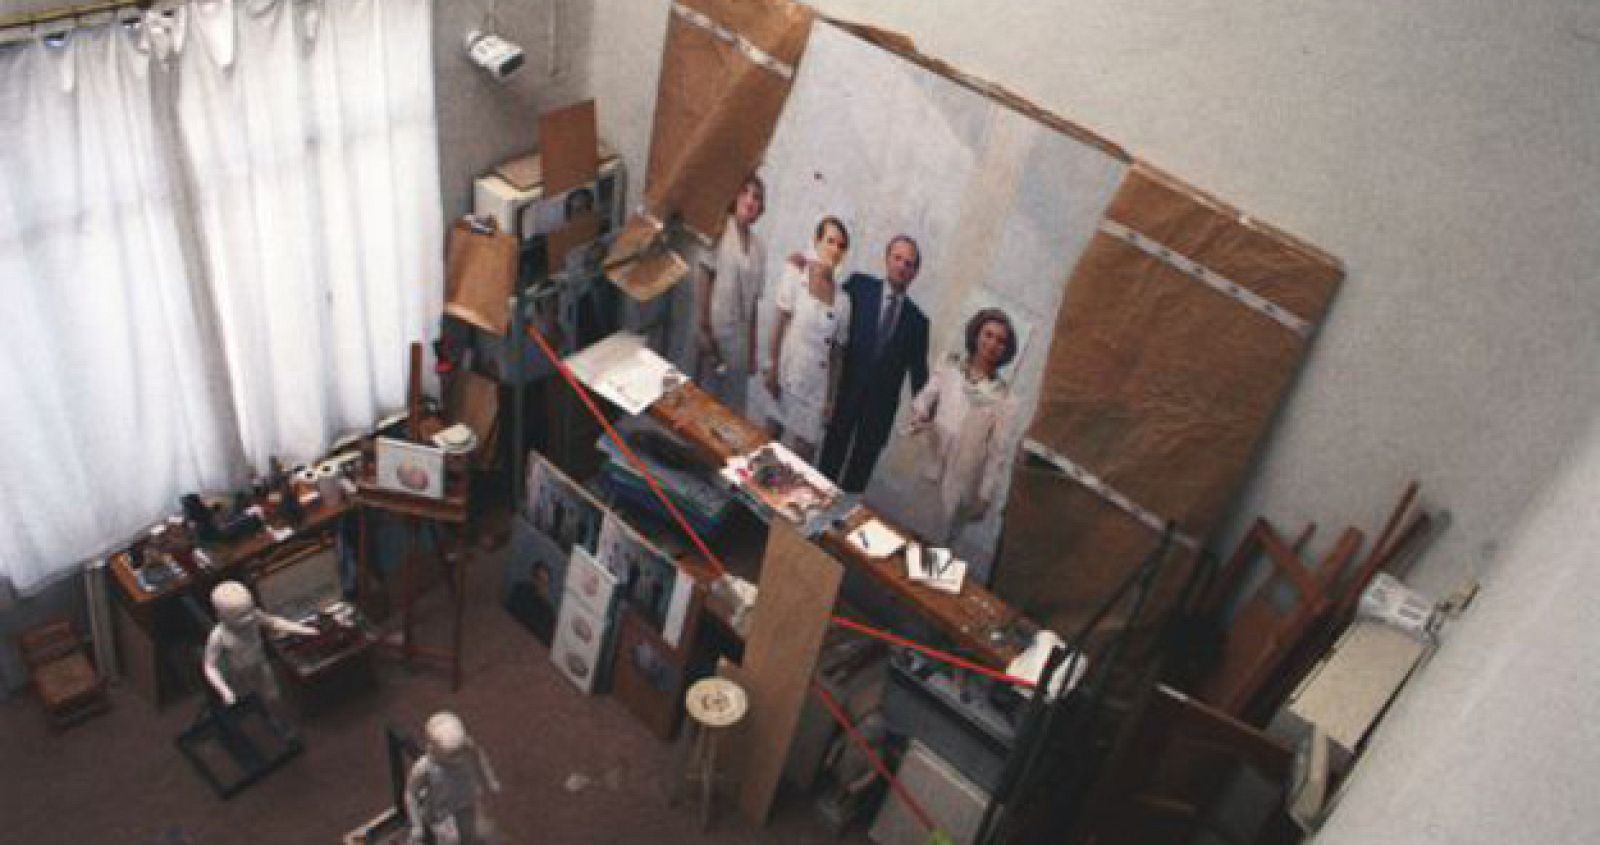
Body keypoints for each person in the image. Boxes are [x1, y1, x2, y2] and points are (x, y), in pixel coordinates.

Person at [818, 235, 930, 492]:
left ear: (915, 273)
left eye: (909, 263)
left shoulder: (918, 322)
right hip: (844, 394)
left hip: (880, 411)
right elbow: (828, 300)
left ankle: (843, 516)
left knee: (857, 478)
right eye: (897, 258)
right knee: (827, 465)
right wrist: (809, 266)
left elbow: (919, 374)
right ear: (887, 258)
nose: (902, 266)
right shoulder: (859, 287)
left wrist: (927, 410)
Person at [904, 308, 1020, 547]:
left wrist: (985, 496)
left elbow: (997, 454)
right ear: (976, 334)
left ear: (1006, 350)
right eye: (988, 335)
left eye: (1001, 341)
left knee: (937, 550)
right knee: (909, 537)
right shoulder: (950, 365)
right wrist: (920, 415)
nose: (992, 344)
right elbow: (924, 399)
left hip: (963, 481)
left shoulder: (1005, 399)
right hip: (932, 462)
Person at [765, 216, 852, 461]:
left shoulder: (844, 300)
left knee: (802, 459)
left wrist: (830, 399)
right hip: (787, 372)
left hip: (816, 387)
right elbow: (779, 323)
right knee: (766, 446)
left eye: (841, 245)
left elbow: (837, 354)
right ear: (817, 241)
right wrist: (771, 367)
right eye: (830, 241)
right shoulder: (796, 273)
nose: (835, 249)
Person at [695, 174, 767, 414]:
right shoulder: (719, 229)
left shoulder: (759, 248)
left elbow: (754, 303)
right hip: (715, 332)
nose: (750, 200)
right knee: (707, 402)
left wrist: (753, 351)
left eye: (757, 197)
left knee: (732, 407)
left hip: (740, 340)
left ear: (761, 209)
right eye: (745, 192)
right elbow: (705, 277)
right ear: (734, 197)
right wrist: (704, 329)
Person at [202, 580, 316, 719]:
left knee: (273, 697)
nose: (249, 618)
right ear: (220, 616)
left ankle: (279, 717)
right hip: (240, 675)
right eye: (240, 616)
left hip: (261, 665)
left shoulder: (255, 616)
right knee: (251, 704)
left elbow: (274, 622)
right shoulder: (218, 636)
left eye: (250, 611)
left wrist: (302, 629)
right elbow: (209, 666)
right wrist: (225, 691)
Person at [405, 711, 502, 845]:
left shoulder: (466, 747)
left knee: (470, 834)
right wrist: (416, 825)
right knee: (450, 840)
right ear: (433, 748)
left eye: (460, 752)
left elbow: (479, 757)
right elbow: (411, 794)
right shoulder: (424, 767)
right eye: (452, 755)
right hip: (442, 812)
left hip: (466, 800)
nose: (459, 757)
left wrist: (490, 779)